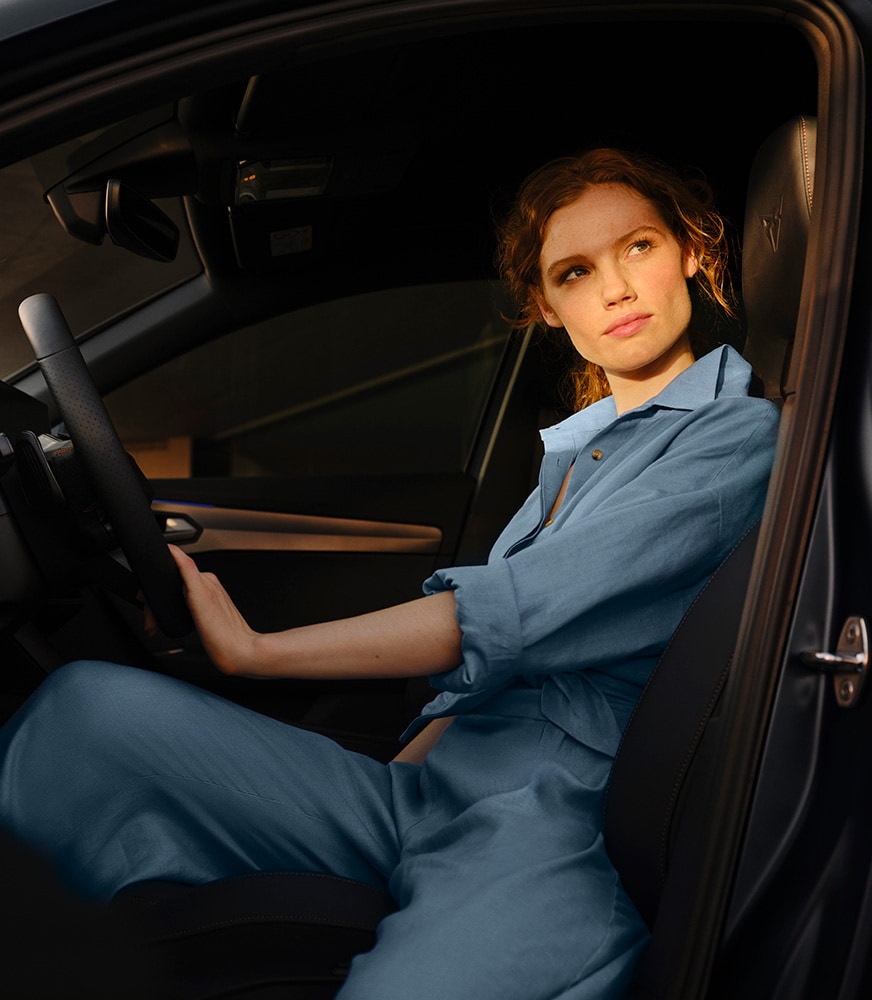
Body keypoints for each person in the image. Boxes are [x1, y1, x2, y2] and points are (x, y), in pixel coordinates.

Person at [0, 147, 780, 999]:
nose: (616, 287)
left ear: (694, 254)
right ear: (548, 308)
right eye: (575, 271)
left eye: (639, 247)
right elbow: (500, 668)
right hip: (429, 791)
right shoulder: (582, 449)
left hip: (549, 821)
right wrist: (407, 764)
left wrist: (258, 651)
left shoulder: (734, 437)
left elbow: (511, 614)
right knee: (83, 716)